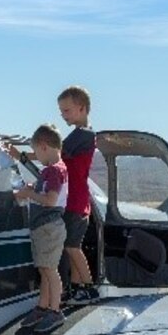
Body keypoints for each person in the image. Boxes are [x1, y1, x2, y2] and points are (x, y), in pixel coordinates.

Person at [3, 125, 67, 333]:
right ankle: (43, 307)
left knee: (50, 270)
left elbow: (50, 200)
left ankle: (56, 311)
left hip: (49, 227)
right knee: (44, 269)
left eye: (37, 152)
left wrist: (29, 195)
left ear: (44, 147)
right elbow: (44, 191)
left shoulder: (55, 171)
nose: (36, 156)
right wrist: (32, 188)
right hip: (43, 227)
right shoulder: (50, 171)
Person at [57, 86, 99, 303]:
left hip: (76, 202)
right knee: (71, 247)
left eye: (67, 110)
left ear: (82, 109)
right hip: (74, 201)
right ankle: (76, 288)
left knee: (72, 247)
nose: (63, 115)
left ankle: (90, 288)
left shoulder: (83, 135)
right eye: (62, 111)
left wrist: (23, 155)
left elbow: (55, 153)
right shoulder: (80, 135)